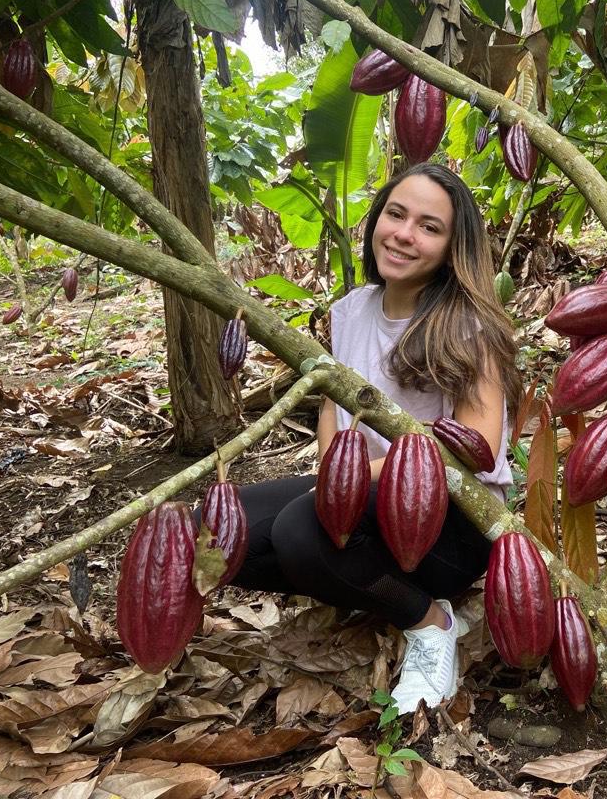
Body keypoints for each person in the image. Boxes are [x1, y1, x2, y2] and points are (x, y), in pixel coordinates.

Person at [208, 163, 520, 714]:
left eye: (429, 226)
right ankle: (371, 586)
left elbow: (480, 446)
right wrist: (336, 473)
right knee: (216, 528)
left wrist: (339, 487)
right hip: (366, 497)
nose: (403, 233)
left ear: (452, 247)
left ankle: (429, 622)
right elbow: (335, 404)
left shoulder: (469, 326)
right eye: (396, 214)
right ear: (377, 218)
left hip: (452, 522)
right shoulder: (348, 311)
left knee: (303, 530)